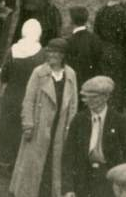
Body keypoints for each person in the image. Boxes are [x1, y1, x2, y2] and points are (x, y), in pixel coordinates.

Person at [10, 38, 78, 197]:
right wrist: (28, 124)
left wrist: (70, 126)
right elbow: (28, 100)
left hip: (60, 127)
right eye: (50, 52)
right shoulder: (39, 73)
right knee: (34, 163)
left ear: (63, 55)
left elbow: (73, 104)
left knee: (55, 162)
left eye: (56, 52)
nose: (52, 55)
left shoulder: (70, 74)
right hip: (39, 127)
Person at [61, 76, 126, 197]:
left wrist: (122, 180)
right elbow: (68, 156)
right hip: (82, 177)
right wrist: (68, 188)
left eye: (94, 97)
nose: (89, 101)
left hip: (109, 177)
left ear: (106, 97)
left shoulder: (119, 121)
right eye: (87, 97)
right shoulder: (79, 120)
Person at [0, 20, 46, 167]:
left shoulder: (14, 50)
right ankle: (22, 159)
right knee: (26, 124)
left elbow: (4, 75)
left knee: (9, 125)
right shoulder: (41, 52)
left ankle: (6, 157)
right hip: (31, 94)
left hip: (13, 92)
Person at [94, 0, 126, 112]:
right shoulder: (123, 13)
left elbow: (96, 31)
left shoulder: (101, 11)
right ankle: (114, 112)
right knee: (117, 85)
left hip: (102, 51)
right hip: (118, 52)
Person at [65, 7, 103, 92]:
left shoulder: (69, 41)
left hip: (75, 83)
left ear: (72, 22)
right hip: (91, 82)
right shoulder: (95, 38)